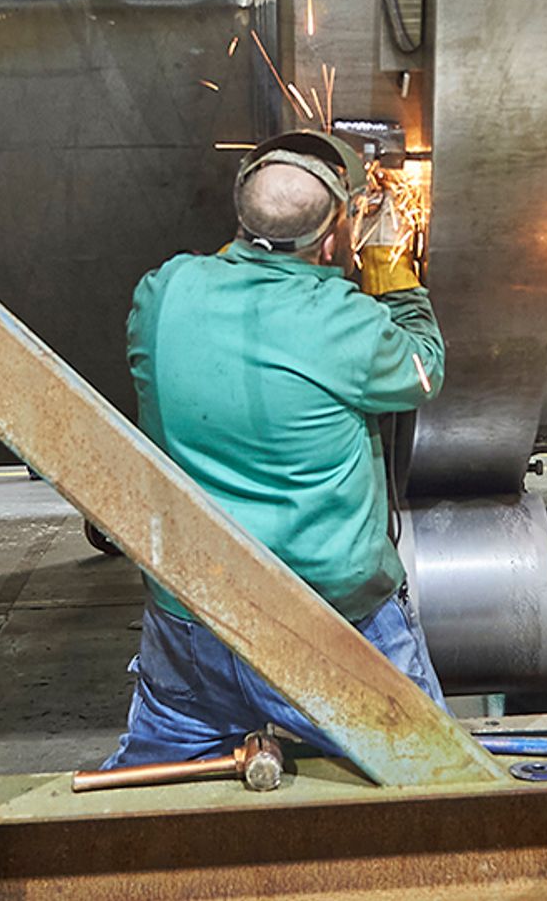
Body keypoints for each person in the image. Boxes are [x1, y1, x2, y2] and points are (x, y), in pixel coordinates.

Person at [99, 130, 446, 768]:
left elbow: (227, 286)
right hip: (333, 625)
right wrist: (390, 267)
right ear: (335, 236)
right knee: (429, 784)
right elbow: (424, 369)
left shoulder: (163, 293)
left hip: (191, 623)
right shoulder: (347, 322)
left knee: (153, 798)